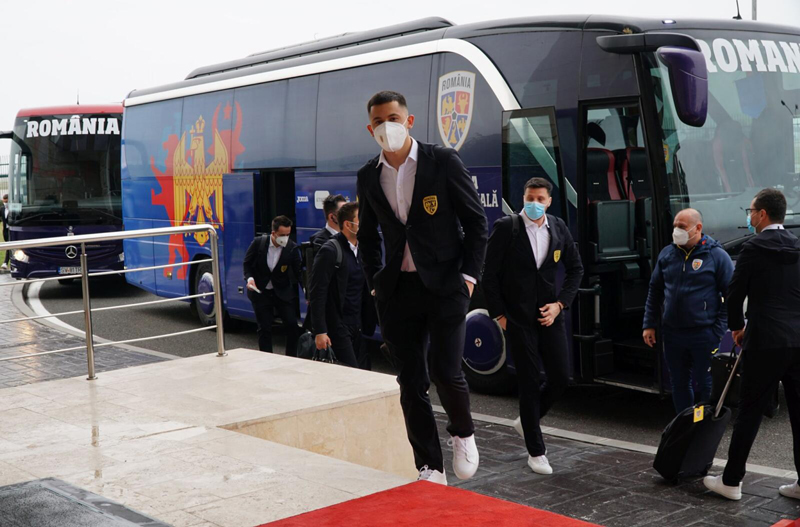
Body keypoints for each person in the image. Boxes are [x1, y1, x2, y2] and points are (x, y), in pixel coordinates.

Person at [357, 90, 487, 485]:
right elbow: (368, 237)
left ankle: (463, 434)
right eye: (378, 122)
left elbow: (476, 223)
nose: (387, 127)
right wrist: (376, 283)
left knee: (446, 372)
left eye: (393, 118)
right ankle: (429, 465)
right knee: (411, 382)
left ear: (409, 121)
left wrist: (468, 279)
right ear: (370, 129)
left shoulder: (442, 161)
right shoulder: (368, 175)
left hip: (446, 286)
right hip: (397, 291)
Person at [481, 177, 583, 475]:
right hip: (517, 319)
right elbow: (489, 274)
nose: (534, 203)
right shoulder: (507, 227)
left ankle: (528, 420)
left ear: (549, 201)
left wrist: (560, 304)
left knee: (560, 377)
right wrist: (500, 316)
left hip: (550, 315)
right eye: (530, 198)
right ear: (523, 198)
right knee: (527, 381)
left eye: (540, 199)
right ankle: (536, 452)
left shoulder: (558, 227)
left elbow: (576, 269)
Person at [705, 189, 800, 501]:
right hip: (797, 339)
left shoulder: (753, 247)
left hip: (764, 340)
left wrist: (737, 327)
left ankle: (731, 481)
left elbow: (735, 293)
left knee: (750, 412)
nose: (749, 217)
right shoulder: (797, 244)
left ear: (761, 214)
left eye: (751, 211)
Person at [642, 208, 733, 413]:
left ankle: (705, 425)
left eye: (682, 227)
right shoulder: (667, 254)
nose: (677, 231)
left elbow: (732, 296)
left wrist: (717, 331)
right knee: (679, 383)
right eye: (675, 226)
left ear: (697, 228)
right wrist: (649, 324)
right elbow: (655, 291)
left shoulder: (716, 256)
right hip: (673, 333)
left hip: (703, 334)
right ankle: (684, 424)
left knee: (706, 383)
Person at [309, 201, 371, 369]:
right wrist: (320, 331)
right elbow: (317, 293)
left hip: (358, 323)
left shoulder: (362, 249)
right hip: (337, 325)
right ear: (348, 224)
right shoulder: (330, 250)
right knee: (350, 371)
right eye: (361, 219)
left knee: (364, 372)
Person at [243, 215, 302, 355]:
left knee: (292, 326)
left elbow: (299, 272)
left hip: (282, 291)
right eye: (282, 235)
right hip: (261, 292)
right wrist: (250, 279)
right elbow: (247, 264)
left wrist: (308, 293)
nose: (285, 238)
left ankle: (291, 358)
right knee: (264, 328)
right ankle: (267, 358)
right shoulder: (258, 243)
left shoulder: (292, 248)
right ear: (273, 233)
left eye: (288, 234)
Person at [1, 194, 9, 270]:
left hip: (12, 229)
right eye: (4, 202)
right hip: (5, 230)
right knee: (8, 245)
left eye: (6, 202)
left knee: (9, 246)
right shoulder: (2, 209)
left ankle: (5, 262)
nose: (5, 203)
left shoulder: (13, 208)